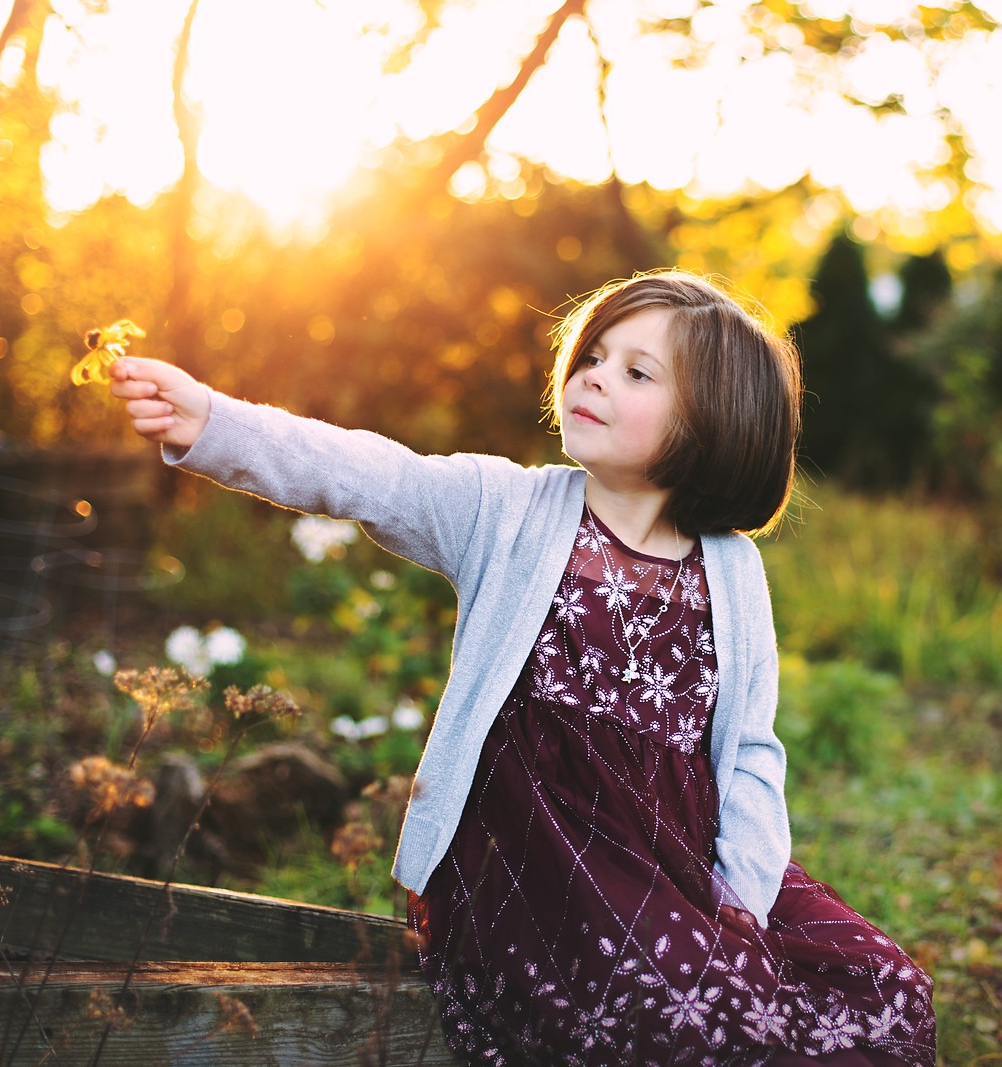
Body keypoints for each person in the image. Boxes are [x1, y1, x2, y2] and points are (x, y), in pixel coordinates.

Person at [108, 270, 936, 1066]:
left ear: (713, 419)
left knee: (886, 988)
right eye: (595, 355)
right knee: (689, 1011)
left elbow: (750, 749)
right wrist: (212, 420)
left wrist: (740, 901)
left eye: (636, 371)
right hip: (535, 869)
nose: (596, 377)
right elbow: (365, 473)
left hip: (680, 861)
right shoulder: (503, 509)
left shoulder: (731, 569)